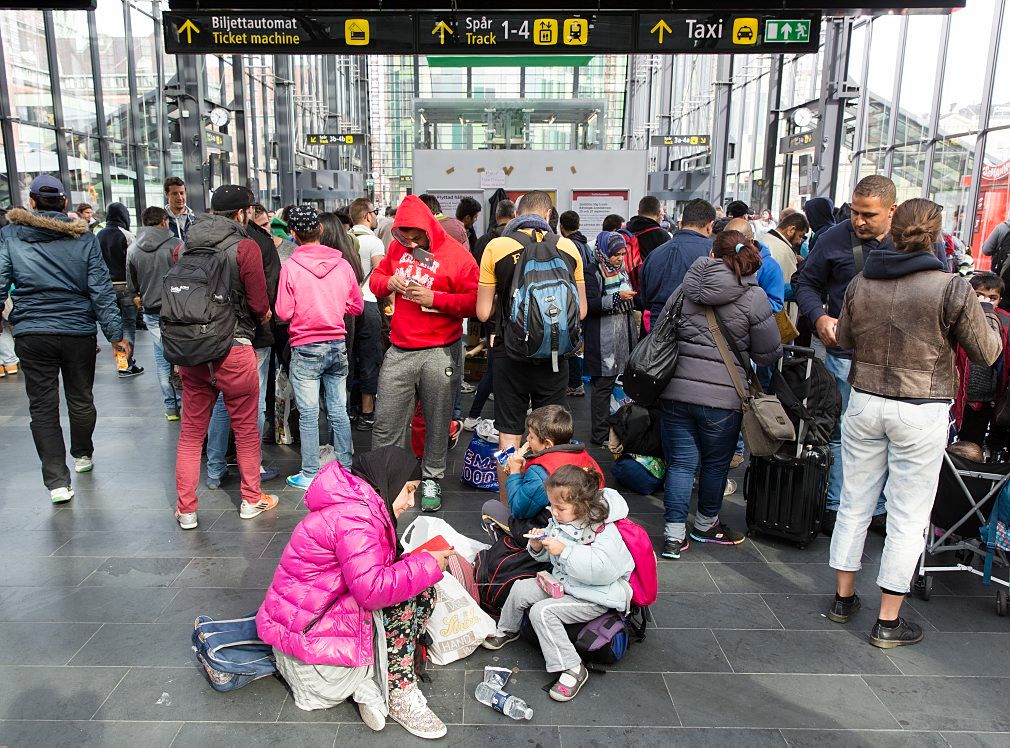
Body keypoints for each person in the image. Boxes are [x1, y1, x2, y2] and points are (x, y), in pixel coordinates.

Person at [826, 198, 1001, 648]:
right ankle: (888, 622)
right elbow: (986, 353)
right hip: (920, 407)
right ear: (936, 236)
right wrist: (988, 319)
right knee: (907, 514)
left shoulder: (862, 281)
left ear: (893, 229)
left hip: (865, 400)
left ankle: (843, 599)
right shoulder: (951, 287)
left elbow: (843, 339)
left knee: (854, 502)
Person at [256, 447, 453, 739]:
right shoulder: (356, 518)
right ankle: (397, 692)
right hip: (314, 666)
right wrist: (426, 564)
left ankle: (371, 683)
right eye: (409, 490)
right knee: (402, 601)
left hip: (312, 646)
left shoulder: (357, 504)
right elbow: (373, 591)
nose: (411, 502)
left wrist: (420, 566)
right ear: (390, 480)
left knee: (420, 587)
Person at [0, 175, 130, 504]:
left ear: (31, 202)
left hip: (32, 332)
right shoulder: (83, 237)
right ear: (64, 203)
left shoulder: (11, 234)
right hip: (77, 332)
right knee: (81, 398)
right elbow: (100, 289)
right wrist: (115, 335)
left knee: (42, 408)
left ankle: (57, 482)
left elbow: (0, 280)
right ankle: (82, 453)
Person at [658, 230, 782, 559]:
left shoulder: (685, 288)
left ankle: (673, 537)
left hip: (676, 391)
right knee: (714, 465)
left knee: (680, 464)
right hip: (723, 400)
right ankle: (705, 524)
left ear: (712, 254)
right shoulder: (754, 297)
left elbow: (661, 330)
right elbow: (768, 353)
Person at [794, 176, 900, 533]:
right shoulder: (834, 238)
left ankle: (879, 507)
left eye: (868, 214)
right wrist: (819, 316)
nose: (859, 221)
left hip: (896, 358)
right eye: (855, 212)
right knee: (842, 428)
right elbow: (806, 283)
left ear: (892, 210)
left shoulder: (914, 239)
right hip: (844, 354)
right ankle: (836, 503)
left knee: (886, 434)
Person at [482, 465, 634, 703]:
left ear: (582, 505)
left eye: (559, 508)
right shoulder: (562, 520)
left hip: (595, 596)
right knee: (521, 588)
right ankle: (508, 629)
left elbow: (603, 572)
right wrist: (537, 546)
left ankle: (573, 668)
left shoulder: (604, 530)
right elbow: (551, 554)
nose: (553, 512)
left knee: (542, 612)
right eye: (551, 505)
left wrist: (564, 551)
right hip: (566, 584)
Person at [173, 186, 277, 530]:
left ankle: (186, 510)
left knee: (191, 434)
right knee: (245, 429)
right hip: (234, 347)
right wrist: (262, 316)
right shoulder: (245, 247)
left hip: (192, 350)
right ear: (242, 213)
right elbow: (259, 304)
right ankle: (251, 499)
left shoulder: (183, 247)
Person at [369, 195, 479, 512]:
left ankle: (431, 477)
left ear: (429, 227)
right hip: (400, 348)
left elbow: (475, 303)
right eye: (405, 237)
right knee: (386, 422)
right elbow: (375, 282)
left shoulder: (457, 256)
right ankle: (384, 479)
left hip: (440, 349)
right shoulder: (396, 249)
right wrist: (389, 281)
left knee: (437, 420)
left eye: (416, 237)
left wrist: (436, 298)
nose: (411, 243)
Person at [476, 190, 588, 476]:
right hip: (555, 354)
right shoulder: (568, 247)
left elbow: (483, 313)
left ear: (516, 214)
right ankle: (549, 499)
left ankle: (510, 498)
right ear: (549, 215)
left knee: (509, 435)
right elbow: (582, 310)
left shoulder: (497, 246)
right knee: (551, 433)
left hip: (510, 354)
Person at [277, 206, 364, 486]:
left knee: (309, 414)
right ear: (321, 229)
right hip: (337, 345)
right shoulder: (342, 265)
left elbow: (283, 312)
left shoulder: (290, 267)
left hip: (305, 347)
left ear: (293, 234)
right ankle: (346, 469)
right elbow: (356, 306)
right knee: (339, 410)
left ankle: (310, 473)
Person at [204, 186, 282, 489]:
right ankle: (253, 467)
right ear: (242, 212)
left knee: (223, 401)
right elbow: (266, 292)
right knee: (253, 402)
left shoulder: (198, 239)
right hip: (250, 335)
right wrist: (264, 317)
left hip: (207, 333)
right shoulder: (255, 242)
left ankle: (214, 468)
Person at [481, 404, 602, 539]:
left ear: (548, 444)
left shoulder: (541, 472)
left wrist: (515, 473)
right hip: (588, 526)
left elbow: (518, 510)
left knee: (490, 507)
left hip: (552, 532)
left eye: (531, 437)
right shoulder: (585, 457)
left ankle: (511, 547)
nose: (527, 439)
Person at [126, 206, 183, 420]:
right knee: (182, 356)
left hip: (151, 310)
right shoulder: (176, 245)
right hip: (177, 309)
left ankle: (171, 407)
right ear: (163, 221)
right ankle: (189, 404)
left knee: (161, 359)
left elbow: (132, 284)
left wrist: (137, 296)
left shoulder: (133, 249)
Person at [584, 231, 638, 445]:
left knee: (616, 384)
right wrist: (617, 297)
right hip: (602, 338)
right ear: (605, 252)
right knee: (603, 387)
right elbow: (589, 305)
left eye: (623, 254)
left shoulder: (622, 270)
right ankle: (599, 435)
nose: (620, 258)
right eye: (616, 254)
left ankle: (617, 429)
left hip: (623, 335)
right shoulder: (592, 271)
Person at [952, 272, 1010, 457]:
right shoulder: (958, 315)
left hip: (986, 397)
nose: (985, 301)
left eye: (992, 298)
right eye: (979, 295)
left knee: (971, 446)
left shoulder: (1005, 322)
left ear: (1000, 300)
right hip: (956, 393)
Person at [640, 199, 716, 324]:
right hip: (699, 327)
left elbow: (645, 300)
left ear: (681, 223)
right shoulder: (713, 252)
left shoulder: (654, 255)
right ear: (710, 225)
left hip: (658, 328)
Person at [349, 198, 387, 431]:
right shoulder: (374, 242)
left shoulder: (344, 239)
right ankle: (367, 411)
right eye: (375, 212)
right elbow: (381, 276)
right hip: (368, 303)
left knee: (350, 357)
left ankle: (349, 408)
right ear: (367, 216)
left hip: (346, 306)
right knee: (369, 358)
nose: (376, 216)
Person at [97, 202, 143, 377]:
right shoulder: (127, 235)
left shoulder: (99, 235)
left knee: (114, 325)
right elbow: (133, 263)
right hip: (125, 286)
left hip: (106, 287)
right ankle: (128, 363)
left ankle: (121, 362)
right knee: (128, 325)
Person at [724, 218, 784, 314]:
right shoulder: (723, 257)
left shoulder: (770, 267)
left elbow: (775, 304)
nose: (730, 251)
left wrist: (742, 307)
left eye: (735, 247)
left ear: (751, 242)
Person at [760, 212, 809, 296]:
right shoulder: (785, 251)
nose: (799, 241)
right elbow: (790, 286)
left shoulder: (763, 238)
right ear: (791, 230)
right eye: (800, 236)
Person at [625, 195, 671, 262]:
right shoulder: (662, 236)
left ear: (638, 212)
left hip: (628, 268)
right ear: (658, 213)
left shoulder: (627, 230)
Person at [472, 199, 515, 266]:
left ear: (496, 216)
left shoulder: (482, 241)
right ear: (514, 216)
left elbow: (476, 265)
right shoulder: (521, 239)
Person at [164, 176, 196, 241]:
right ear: (167, 195)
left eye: (182, 193)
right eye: (175, 194)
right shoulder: (161, 221)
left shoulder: (195, 220)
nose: (179, 198)